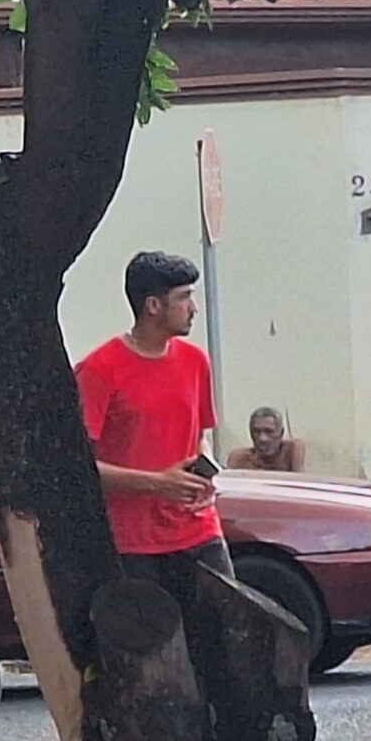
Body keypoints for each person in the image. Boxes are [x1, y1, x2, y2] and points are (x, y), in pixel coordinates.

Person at [77, 252, 230, 599]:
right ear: (153, 306)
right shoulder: (99, 369)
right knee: (152, 634)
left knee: (227, 626)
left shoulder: (195, 361)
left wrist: (204, 477)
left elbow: (198, 438)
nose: (193, 308)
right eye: (184, 297)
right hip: (133, 545)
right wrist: (158, 484)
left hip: (199, 532)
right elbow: (79, 467)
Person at [227, 406, 306, 473]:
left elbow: (298, 481)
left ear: (281, 433)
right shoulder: (240, 458)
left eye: (269, 431)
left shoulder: (290, 451)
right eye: (257, 431)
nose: (262, 438)